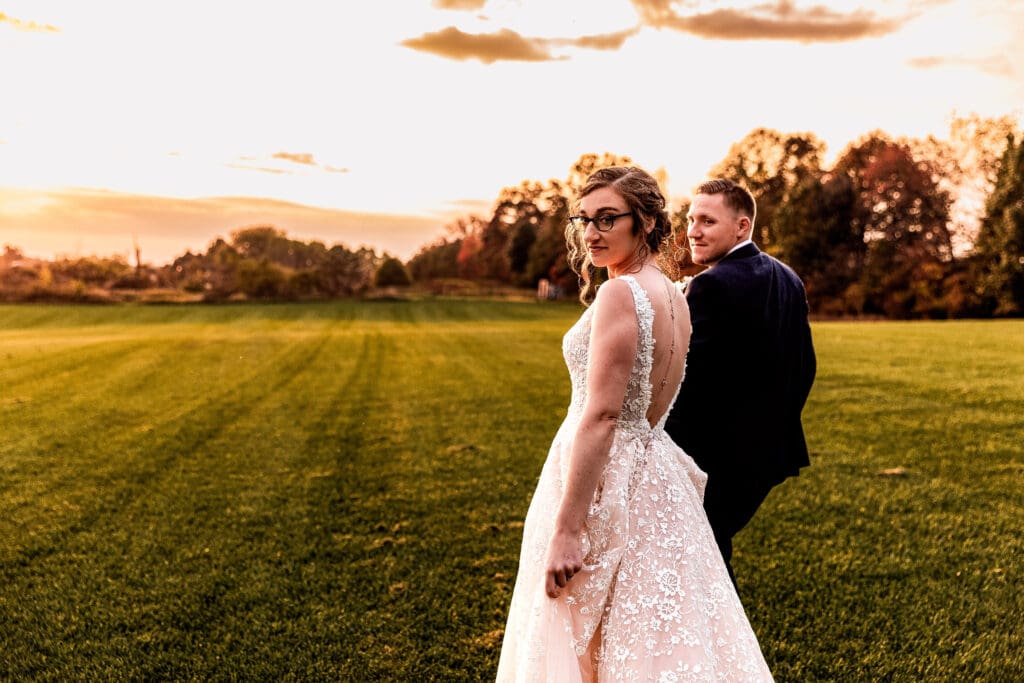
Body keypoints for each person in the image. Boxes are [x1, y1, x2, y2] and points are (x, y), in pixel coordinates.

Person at [497, 167, 773, 681]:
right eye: (585, 220)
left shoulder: (620, 295)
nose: (592, 233)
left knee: (588, 641)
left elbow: (602, 415)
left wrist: (568, 528)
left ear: (644, 222)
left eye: (608, 219)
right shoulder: (675, 296)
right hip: (657, 475)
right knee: (640, 636)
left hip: (607, 480)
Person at [664, 178, 816, 589]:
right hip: (769, 456)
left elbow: (687, 382)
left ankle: (723, 650)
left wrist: (661, 446)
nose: (693, 230)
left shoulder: (711, 285)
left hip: (716, 458)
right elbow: (805, 369)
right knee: (708, 549)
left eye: (707, 221)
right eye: (692, 219)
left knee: (697, 557)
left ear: (742, 227)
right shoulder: (788, 277)